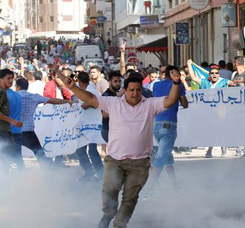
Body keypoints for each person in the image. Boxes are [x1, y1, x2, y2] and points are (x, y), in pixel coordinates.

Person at [62, 65, 182, 228]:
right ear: (125, 91)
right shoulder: (113, 103)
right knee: (109, 190)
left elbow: (171, 100)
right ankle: (108, 215)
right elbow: (90, 98)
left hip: (139, 163)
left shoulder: (150, 104)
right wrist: (73, 87)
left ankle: (119, 224)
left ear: (142, 91)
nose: (135, 93)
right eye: (132, 90)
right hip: (115, 160)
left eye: (138, 90)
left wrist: (176, 83)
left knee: (130, 198)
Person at [145, 66, 188, 198]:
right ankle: (149, 189)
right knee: (161, 158)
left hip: (156, 124)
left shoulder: (156, 85)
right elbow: (185, 104)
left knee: (166, 156)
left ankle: (175, 186)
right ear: (173, 74)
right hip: (169, 125)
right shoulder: (178, 84)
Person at [16, 77, 72, 168]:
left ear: (17, 86)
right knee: (39, 153)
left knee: (12, 154)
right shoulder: (33, 97)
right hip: (28, 131)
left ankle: (18, 173)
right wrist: (68, 101)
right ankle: (49, 171)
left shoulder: (12, 96)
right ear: (27, 87)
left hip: (14, 130)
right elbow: (53, 100)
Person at [74, 72, 104, 181]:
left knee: (92, 150)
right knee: (80, 150)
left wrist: (87, 104)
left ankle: (101, 174)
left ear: (79, 81)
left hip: (92, 126)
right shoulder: (82, 91)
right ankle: (89, 172)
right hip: (83, 125)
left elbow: (97, 102)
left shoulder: (92, 91)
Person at [0, 69, 23, 172]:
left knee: (6, 159)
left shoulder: (7, 93)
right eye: (8, 78)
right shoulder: (1, 93)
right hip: (2, 131)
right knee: (5, 160)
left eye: (12, 79)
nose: (10, 81)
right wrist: (13, 121)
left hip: (6, 131)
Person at [7, 78, 25, 171]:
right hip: (17, 130)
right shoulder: (18, 96)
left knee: (4, 157)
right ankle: (23, 175)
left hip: (6, 131)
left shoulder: (4, 95)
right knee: (17, 156)